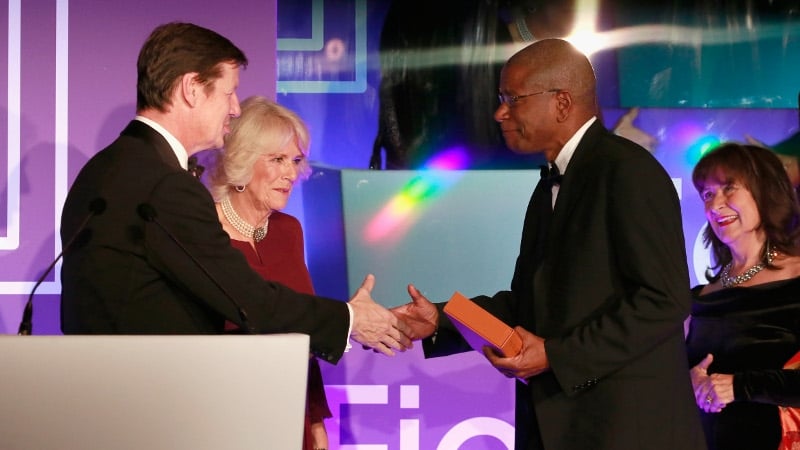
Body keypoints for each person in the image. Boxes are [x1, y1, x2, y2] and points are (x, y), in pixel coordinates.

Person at [392, 38, 705, 450]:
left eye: (512, 99)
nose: (500, 113)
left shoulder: (628, 172)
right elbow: (529, 304)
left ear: (561, 102)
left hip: (624, 429)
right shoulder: (551, 185)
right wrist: (440, 319)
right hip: (562, 426)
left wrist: (556, 356)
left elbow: (664, 301)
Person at [60, 22, 413, 362]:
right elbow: (249, 300)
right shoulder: (166, 185)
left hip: (104, 384)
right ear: (191, 89)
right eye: (228, 92)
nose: (235, 108)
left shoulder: (100, 170)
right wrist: (350, 318)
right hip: (156, 389)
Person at [207, 96, 331, 450]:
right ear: (241, 161)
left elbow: (302, 332)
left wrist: (315, 421)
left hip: (291, 415)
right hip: (225, 418)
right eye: (277, 160)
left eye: (295, 160)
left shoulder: (288, 231)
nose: (291, 174)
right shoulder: (204, 232)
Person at [686, 142, 800, 450]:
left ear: (764, 191)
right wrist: (688, 381)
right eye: (707, 194)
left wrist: (738, 386)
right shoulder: (698, 298)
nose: (715, 204)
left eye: (728, 188)